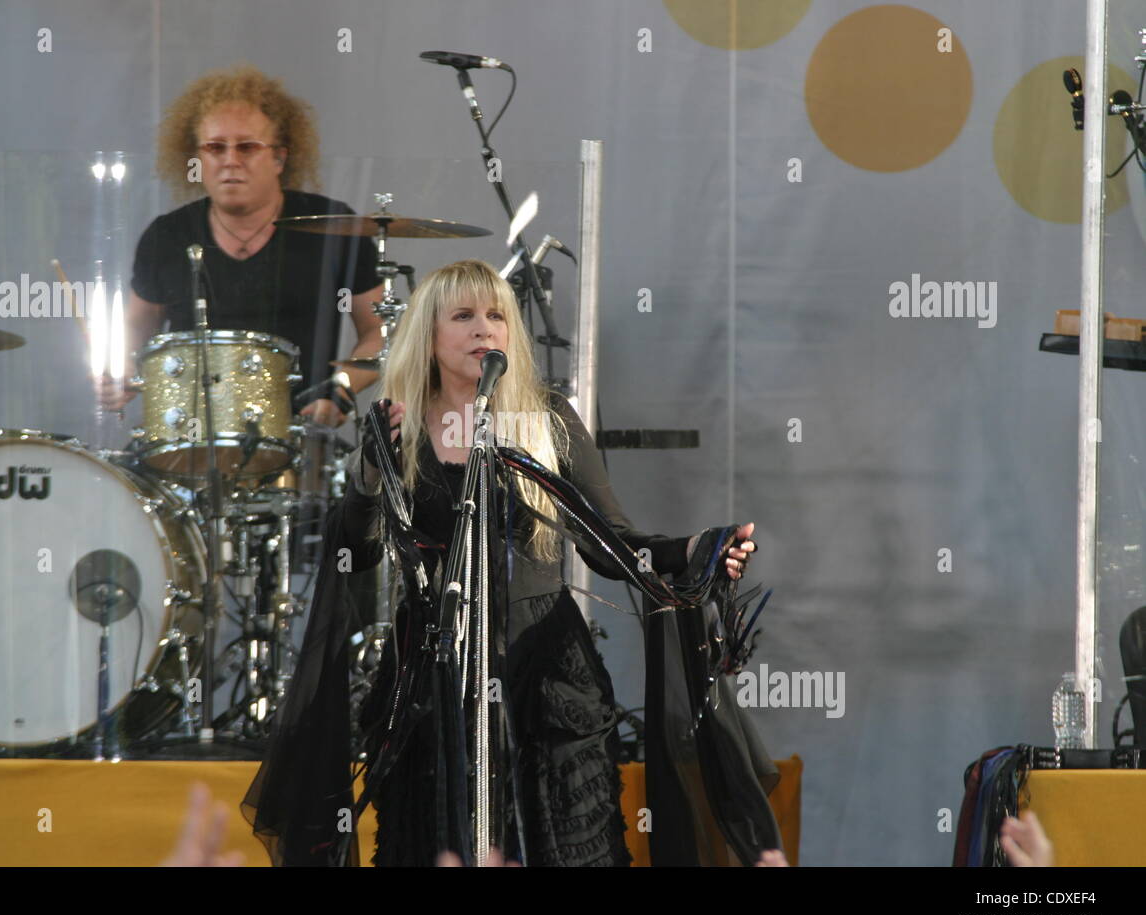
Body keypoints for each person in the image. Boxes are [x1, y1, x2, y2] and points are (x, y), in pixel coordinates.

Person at [243, 259, 763, 867]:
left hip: (543, 673)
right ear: (428, 337)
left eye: (496, 316)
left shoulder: (548, 420)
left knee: (560, 842)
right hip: (434, 672)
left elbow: (610, 543)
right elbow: (351, 555)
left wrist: (700, 550)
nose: (483, 329)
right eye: (463, 316)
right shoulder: (395, 425)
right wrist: (364, 478)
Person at [98, 63, 385, 426]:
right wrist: (121, 368)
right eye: (215, 148)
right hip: (188, 437)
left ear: (280, 157)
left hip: (299, 434)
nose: (230, 160)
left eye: (247, 147)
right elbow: (136, 329)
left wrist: (341, 390)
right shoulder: (167, 235)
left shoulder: (332, 226)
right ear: (198, 158)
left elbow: (380, 330)